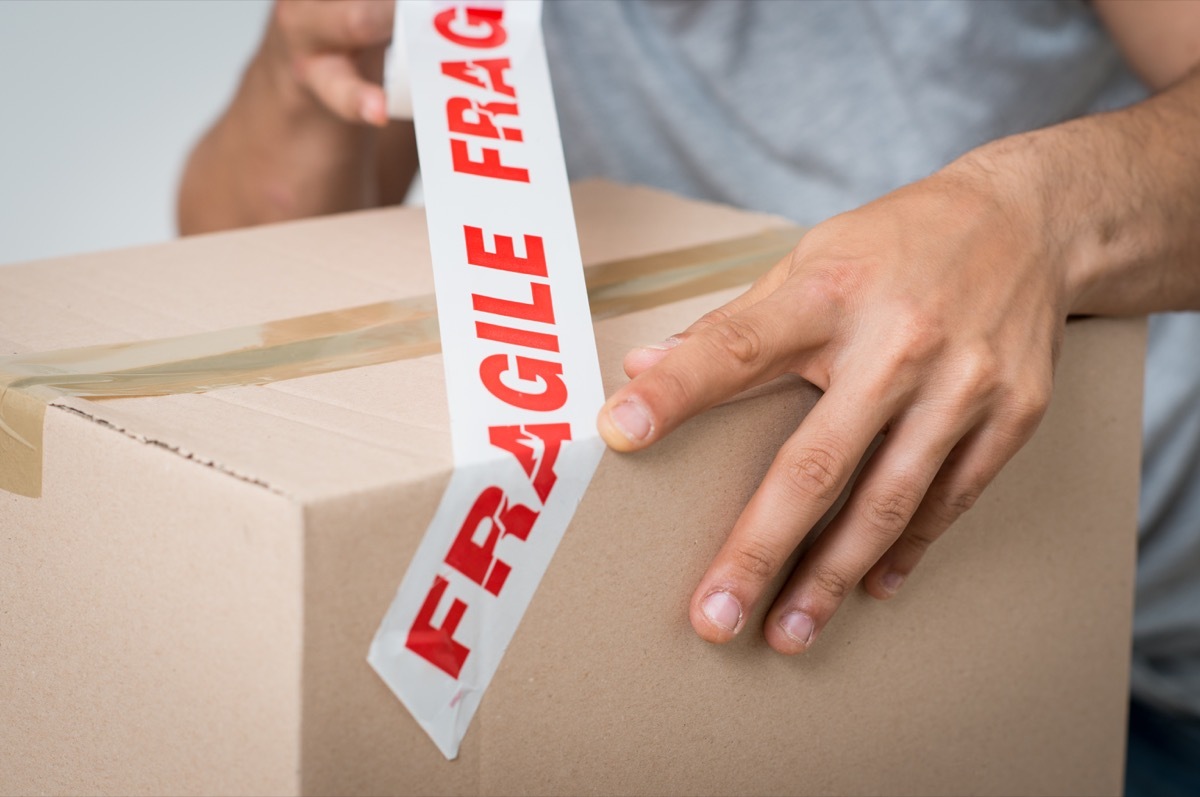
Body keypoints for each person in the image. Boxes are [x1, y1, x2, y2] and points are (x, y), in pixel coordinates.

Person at [178, 2, 1200, 793]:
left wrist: (1040, 215)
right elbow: (235, 315)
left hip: (1146, 644)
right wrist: (299, 68)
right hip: (757, 683)